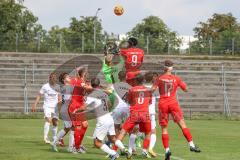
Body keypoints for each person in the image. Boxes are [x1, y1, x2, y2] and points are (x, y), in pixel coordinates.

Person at [152, 60, 201, 160]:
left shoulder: (159, 78)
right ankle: (191, 145)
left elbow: (152, 90)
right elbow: (186, 89)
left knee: (164, 128)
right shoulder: (176, 78)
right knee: (182, 124)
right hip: (173, 103)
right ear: (172, 68)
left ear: (164, 68)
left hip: (163, 104)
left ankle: (167, 150)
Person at [114, 74, 152, 159]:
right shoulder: (148, 90)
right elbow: (149, 102)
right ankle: (144, 151)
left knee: (123, 132)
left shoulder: (132, 89)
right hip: (145, 114)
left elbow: (129, 101)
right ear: (143, 81)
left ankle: (119, 150)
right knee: (148, 133)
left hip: (134, 114)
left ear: (136, 81)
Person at [86, 78, 119, 160]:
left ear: (91, 84)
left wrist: (75, 111)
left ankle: (114, 153)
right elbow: (109, 103)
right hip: (109, 117)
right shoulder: (103, 93)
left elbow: (84, 107)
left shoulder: (92, 95)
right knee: (110, 138)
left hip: (102, 120)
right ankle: (122, 150)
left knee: (97, 143)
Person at [64, 68, 92, 153]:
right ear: (83, 74)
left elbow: (88, 88)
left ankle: (77, 146)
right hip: (74, 106)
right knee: (77, 127)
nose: (88, 74)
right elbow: (87, 88)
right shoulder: (79, 81)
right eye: (86, 73)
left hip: (80, 106)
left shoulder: (83, 81)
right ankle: (74, 147)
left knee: (85, 125)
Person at [31, 73, 61, 144]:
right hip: (47, 106)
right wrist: (35, 104)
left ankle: (54, 139)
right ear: (50, 78)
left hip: (55, 107)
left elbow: (59, 97)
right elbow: (39, 95)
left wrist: (60, 104)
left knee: (55, 123)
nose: (54, 79)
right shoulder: (45, 86)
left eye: (55, 78)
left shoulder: (58, 87)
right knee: (48, 120)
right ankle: (45, 138)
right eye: (52, 78)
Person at [51, 73, 75, 153]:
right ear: (64, 80)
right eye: (67, 77)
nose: (69, 77)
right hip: (66, 109)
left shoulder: (67, 87)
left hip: (67, 109)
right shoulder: (66, 87)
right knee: (71, 127)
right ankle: (70, 147)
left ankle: (54, 143)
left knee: (69, 128)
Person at [144, 71, 159, 157]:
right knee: (152, 131)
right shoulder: (155, 88)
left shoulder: (140, 87)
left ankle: (132, 150)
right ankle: (150, 148)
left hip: (141, 111)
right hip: (151, 112)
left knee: (135, 131)